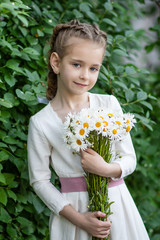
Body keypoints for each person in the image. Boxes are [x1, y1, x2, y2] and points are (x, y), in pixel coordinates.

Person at [27, 20, 150, 240]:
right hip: (75, 217)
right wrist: (79, 219)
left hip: (117, 206)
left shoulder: (108, 105)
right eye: (76, 65)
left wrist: (107, 169)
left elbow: (129, 158)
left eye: (93, 68)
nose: (85, 75)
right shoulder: (41, 122)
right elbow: (40, 181)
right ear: (56, 62)